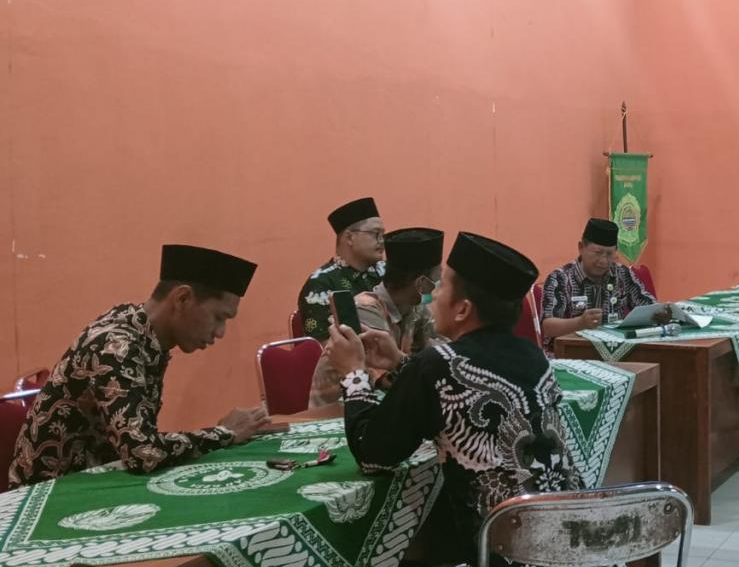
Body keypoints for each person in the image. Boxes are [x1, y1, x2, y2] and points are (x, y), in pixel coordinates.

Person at [332, 232, 625, 567]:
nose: (433, 296)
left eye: (443, 288)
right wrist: (402, 365)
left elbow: (373, 453)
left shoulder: (438, 365)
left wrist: (354, 375)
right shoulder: (533, 358)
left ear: (464, 308)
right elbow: (456, 392)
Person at [9, 244, 279, 486]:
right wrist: (224, 433)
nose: (220, 332)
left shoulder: (140, 328)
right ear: (182, 299)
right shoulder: (115, 346)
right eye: (219, 317)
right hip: (54, 494)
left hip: (99, 480)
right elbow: (142, 453)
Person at [308, 227, 444, 407]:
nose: (440, 288)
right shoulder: (364, 309)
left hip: (379, 406)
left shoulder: (415, 308)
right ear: (421, 284)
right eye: (437, 280)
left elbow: (442, 358)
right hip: (334, 413)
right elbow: (387, 381)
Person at [539, 217, 667, 351]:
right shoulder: (560, 279)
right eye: (597, 253)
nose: (603, 261)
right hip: (569, 353)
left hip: (616, 351)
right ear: (581, 248)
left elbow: (647, 305)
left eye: (610, 254)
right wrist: (580, 323)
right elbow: (548, 327)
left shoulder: (622, 274)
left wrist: (660, 312)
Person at [297, 196, 387, 341]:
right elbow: (323, 346)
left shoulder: (386, 271)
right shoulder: (321, 284)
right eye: (376, 234)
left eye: (383, 235)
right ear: (349, 238)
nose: (382, 241)